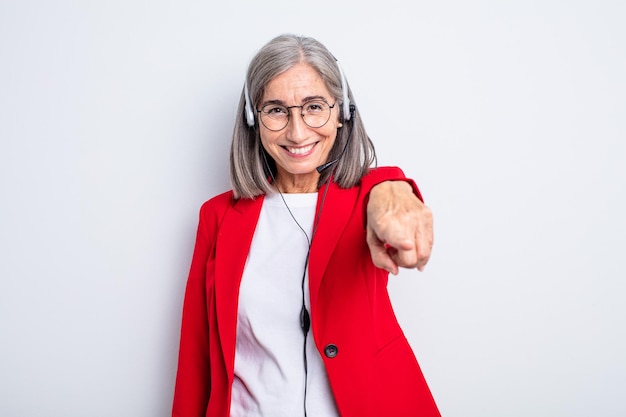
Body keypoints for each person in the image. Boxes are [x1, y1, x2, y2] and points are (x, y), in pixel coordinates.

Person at [173, 34, 440, 417]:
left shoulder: (369, 199)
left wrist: (394, 189)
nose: (297, 132)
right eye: (276, 110)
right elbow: (196, 357)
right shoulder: (216, 218)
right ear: (253, 118)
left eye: (314, 107)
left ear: (341, 111)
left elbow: (387, 191)